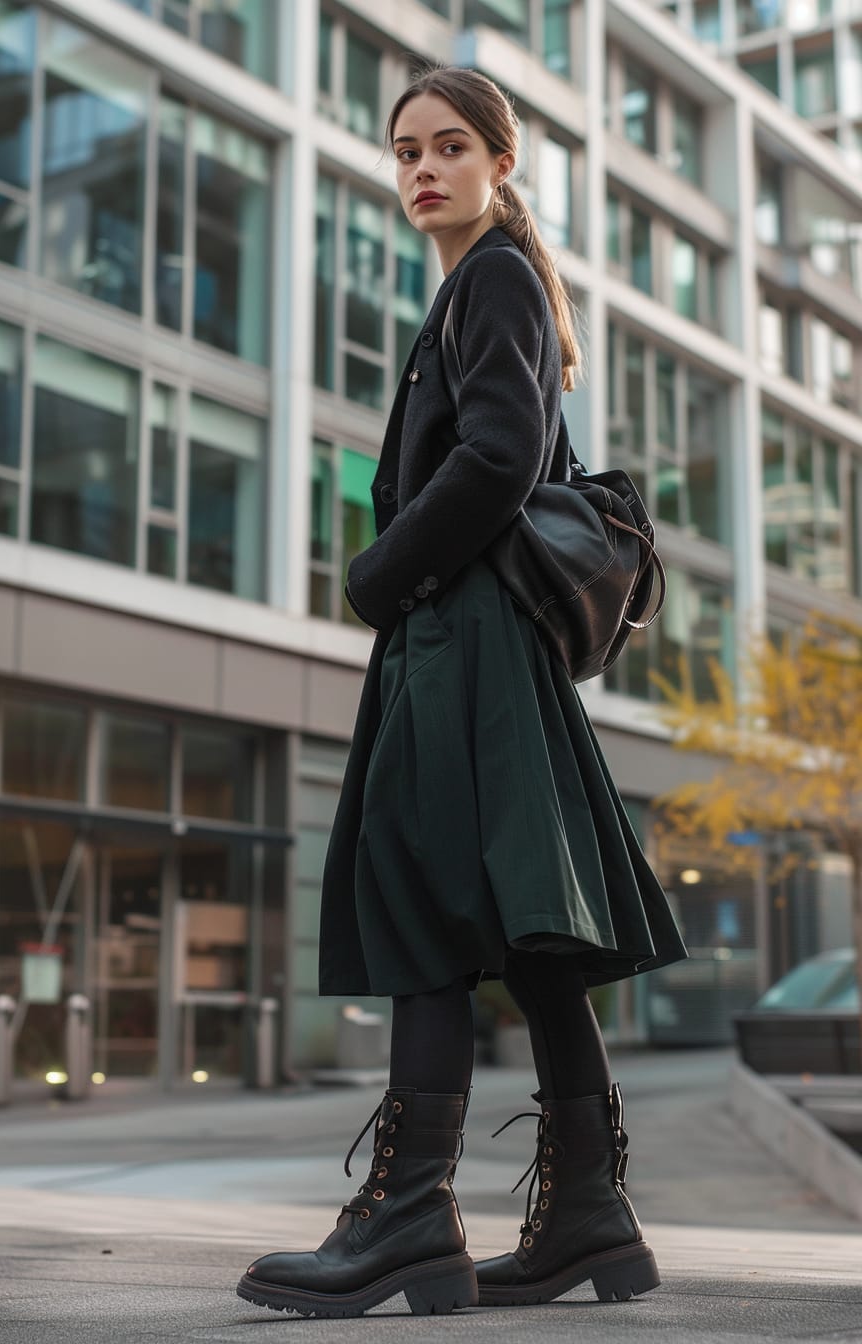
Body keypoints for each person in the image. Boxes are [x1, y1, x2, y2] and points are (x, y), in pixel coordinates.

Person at [237, 64, 687, 1320]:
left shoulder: (488, 276)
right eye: (402, 152)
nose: (420, 169)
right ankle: (586, 1210)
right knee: (522, 927)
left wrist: (378, 576)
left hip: (462, 637)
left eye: (447, 146)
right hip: (480, 644)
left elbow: (494, 454)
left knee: (423, 893)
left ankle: (406, 1211)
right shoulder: (483, 285)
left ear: (500, 163)